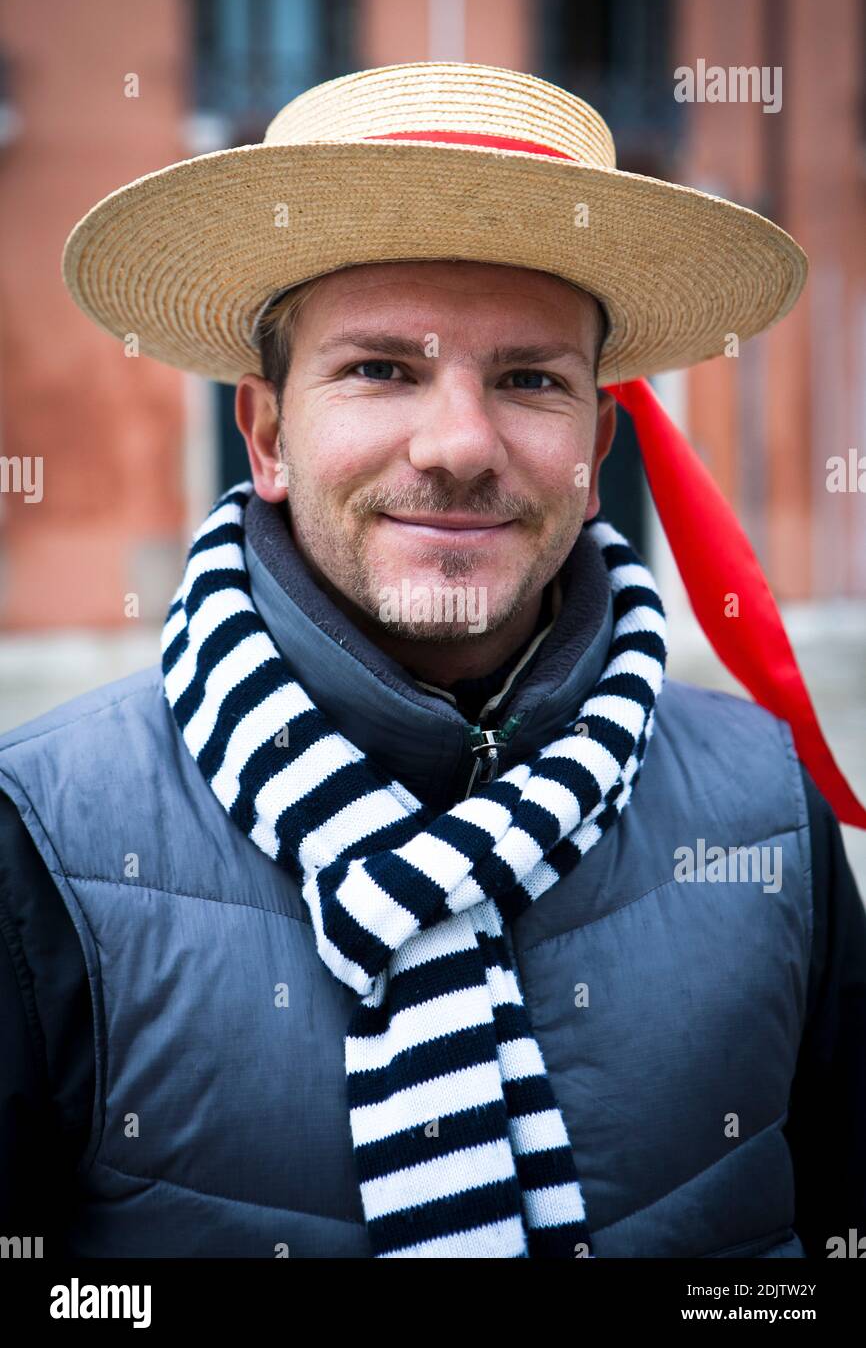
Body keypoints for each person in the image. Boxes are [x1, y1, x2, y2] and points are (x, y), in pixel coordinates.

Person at [0, 61, 864, 1260]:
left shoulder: (769, 813)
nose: (459, 445)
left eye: (526, 379)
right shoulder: (39, 835)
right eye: (380, 369)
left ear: (594, 441)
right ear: (265, 432)